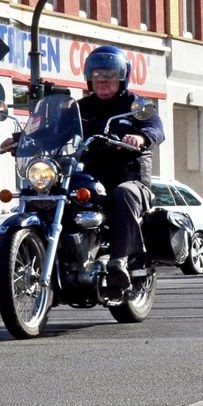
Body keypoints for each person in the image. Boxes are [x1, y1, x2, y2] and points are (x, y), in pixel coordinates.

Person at [78, 45, 165, 294]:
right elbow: (52, 128)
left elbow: (155, 128)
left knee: (122, 194)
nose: (103, 81)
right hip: (92, 181)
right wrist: (20, 139)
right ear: (89, 78)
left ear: (122, 77)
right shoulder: (80, 108)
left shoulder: (136, 105)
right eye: (97, 75)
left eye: (109, 75)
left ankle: (119, 261)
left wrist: (141, 138)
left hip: (132, 182)